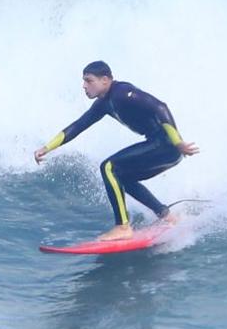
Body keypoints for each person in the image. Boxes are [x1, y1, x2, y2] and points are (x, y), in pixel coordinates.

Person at [34, 61, 199, 241]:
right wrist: (47, 148)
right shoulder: (103, 104)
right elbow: (78, 126)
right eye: (83, 81)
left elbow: (161, 107)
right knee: (122, 176)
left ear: (105, 80)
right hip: (160, 146)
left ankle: (122, 227)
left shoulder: (122, 93)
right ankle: (166, 215)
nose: (84, 86)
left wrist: (178, 142)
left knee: (108, 167)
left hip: (166, 145)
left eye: (89, 81)